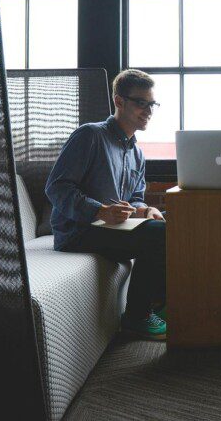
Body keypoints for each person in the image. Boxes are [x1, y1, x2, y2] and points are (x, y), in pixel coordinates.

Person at [45, 69, 167, 340]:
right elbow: (56, 187)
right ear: (119, 101)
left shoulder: (136, 152)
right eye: (141, 103)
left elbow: (135, 197)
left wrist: (146, 210)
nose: (148, 110)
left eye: (152, 104)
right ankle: (137, 317)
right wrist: (100, 211)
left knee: (173, 221)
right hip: (78, 231)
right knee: (161, 235)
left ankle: (160, 303)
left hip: (114, 228)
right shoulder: (90, 135)